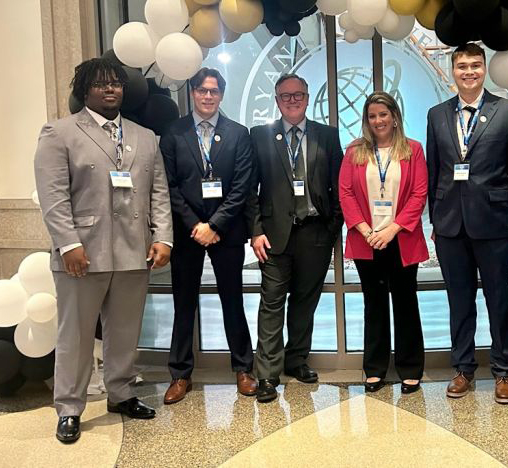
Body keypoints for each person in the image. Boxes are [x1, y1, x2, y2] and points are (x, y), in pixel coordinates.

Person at [34, 58, 173, 443]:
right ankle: (69, 407)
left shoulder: (145, 136)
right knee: (75, 335)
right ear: (84, 90)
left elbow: (158, 192)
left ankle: (122, 392)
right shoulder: (58, 133)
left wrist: (163, 237)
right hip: (82, 255)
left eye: (116, 84)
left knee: (125, 331)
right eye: (101, 84)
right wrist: (68, 244)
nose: (110, 90)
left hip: (134, 252)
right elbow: (53, 198)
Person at [426, 43, 508, 404]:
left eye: (474, 65)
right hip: (450, 225)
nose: (468, 72)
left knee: (499, 299)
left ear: (484, 69)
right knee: (459, 301)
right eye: (461, 66)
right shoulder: (437, 114)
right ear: (453, 71)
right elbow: (434, 170)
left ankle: (504, 372)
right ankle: (463, 369)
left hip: (496, 224)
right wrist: (435, 219)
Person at [160, 68, 256, 404]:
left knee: (233, 301)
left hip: (226, 233)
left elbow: (243, 185)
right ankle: (180, 375)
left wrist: (215, 225)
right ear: (192, 93)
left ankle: (244, 369)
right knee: (183, 304)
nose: (207, 96)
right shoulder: (173, 133)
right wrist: (195, 225)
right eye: (202, 90)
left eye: (214, 91)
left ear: (221, 94)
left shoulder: (238, 134)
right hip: (188, 234)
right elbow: (167, 185)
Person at [246, 74, 343, 403]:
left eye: (298, 94)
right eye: (285, 96)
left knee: (305, 302)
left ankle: (297, 359)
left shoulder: (326, 136)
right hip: (273, 237)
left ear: (306, 96)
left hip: (316, 232)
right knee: (271, 304)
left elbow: (338, 184)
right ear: (276, 100)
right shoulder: (259, 136)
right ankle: (267, 375)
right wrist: (256, 230)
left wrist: (333, 230)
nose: (292, 100)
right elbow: (250, 189)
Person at [339, 91, 428, 394]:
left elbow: (419, 194)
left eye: (383, 114)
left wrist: (392, 230)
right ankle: (374, 368)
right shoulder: (355, 151)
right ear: (366, 120)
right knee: (373, 304)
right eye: (372, 116)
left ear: (394, 117)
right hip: (367, 240)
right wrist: (366, 231)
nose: (378, 120)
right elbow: (346, 194)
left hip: (401, 239)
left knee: (406, 304)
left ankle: (410, 368)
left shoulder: (412, 150)